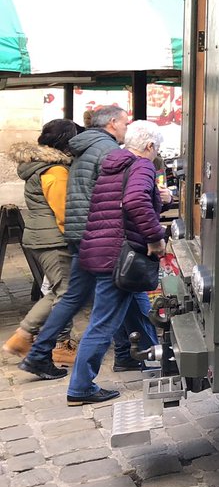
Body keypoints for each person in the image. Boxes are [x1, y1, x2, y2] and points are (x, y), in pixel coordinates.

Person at [18, 105, 147, 379]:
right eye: (125, 122)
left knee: (76, 298)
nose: (127, 127)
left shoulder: (82, 148)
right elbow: (122, 195)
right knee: (111, 302)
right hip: (102, 235)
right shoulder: (107, 151)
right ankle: (86, 380)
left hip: (81, 235)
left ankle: (41, 353)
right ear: (113, 123)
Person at [63, 121, 166, 405]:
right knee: (103, 322)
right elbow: (134, 200)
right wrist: (156, 237)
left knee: (138, 307)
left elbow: (119, 201)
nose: (156, 154)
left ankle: (148, 358)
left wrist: (160, 198)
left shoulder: (113, 162)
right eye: (157, 149)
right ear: (149, 146)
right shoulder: (143, 165)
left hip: (102, 249)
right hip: (121, 256)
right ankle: (80, 387)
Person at [2, 120, 81, 361]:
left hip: (41, 237)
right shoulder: (55, 171)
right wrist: (79, 240)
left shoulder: (37, 166)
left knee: (59, 291)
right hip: (53, 241)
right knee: (65, 294)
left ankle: (28, 338)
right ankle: (39, 341)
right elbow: (64, 213)